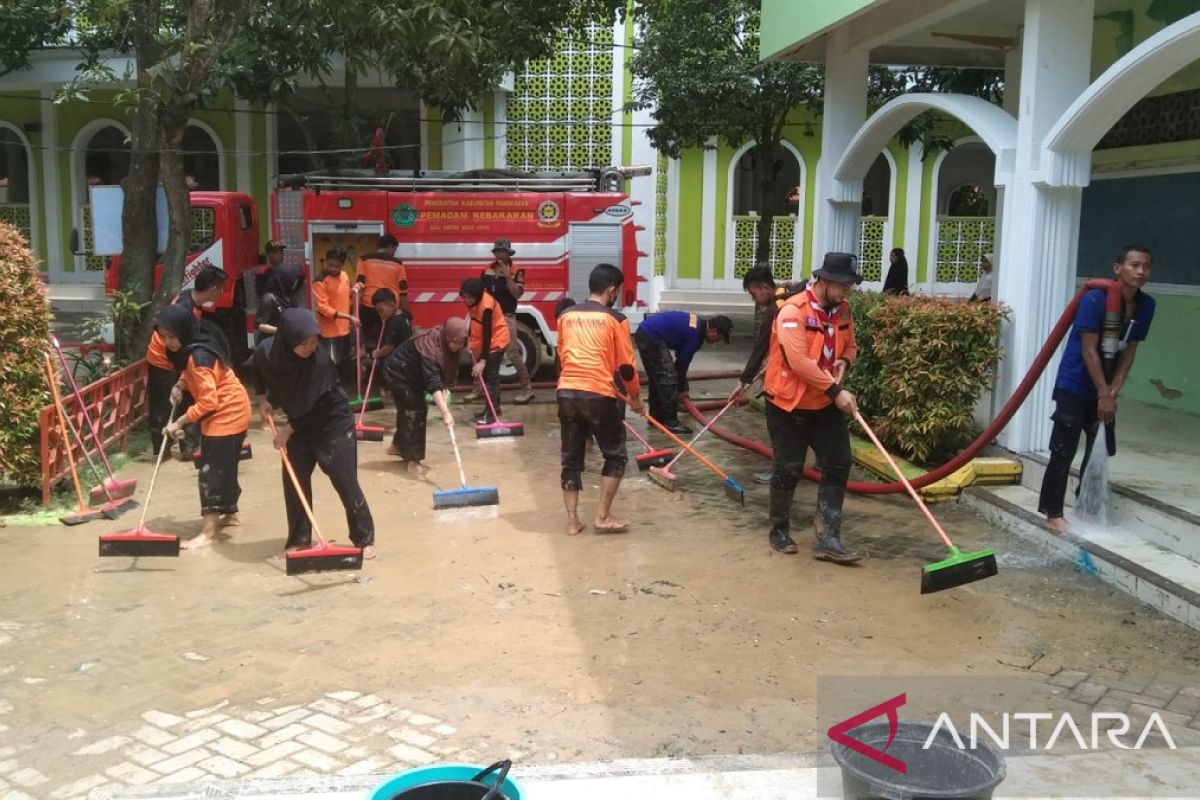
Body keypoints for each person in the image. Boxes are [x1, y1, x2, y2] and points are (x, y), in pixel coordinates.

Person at [1038, 246, 1155, 534]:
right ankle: (1053, 513)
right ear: (1118, 268)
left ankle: (1086, 508)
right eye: (1134, 265)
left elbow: (1130, 351)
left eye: (1146, 267)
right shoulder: (1094, 298)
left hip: (1106, 388)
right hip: (1076, 383)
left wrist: (1113, 391)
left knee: (1099, 444)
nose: (1140, 272)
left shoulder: (1147, 305)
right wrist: (1103, 393)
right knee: (1063, 449)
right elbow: (1090, 351)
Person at [764, 252, 863, 563]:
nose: (848, 291)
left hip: (823, 403)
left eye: (850, 285)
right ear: (823, 280)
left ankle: (828, 539)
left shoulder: (842, 310)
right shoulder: (792, 311)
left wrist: (844, 363)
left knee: (838, 462)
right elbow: (799, 362)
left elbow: (849, 345)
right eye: (843, 284)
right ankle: (779, 530)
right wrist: (836, 391)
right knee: (788, 468)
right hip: (788, 404)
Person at [254, 309, 377, 558]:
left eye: (315, 341)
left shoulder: (319, 363)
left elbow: (319, 406)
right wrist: (262, 398)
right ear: (288, 340)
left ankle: (363, 539)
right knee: (294, 478)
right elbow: (258, 369)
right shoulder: (267, 352)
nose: (311, 347)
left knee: (344, 480)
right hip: (299, 419)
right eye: (304, 343)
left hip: (331, 422)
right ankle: (300, 538)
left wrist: (287, 431)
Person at [556, 264, 643, 535]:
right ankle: (602, 517)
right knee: (615, 455)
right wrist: (635, 397)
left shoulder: (566, 316)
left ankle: (572, 522)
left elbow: (562, 354)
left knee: (571, 458)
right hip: (598, 394)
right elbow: (627, 367)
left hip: (567, 392)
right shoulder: (616, 319)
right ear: (611, 290)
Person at [157, 305, 251, 551]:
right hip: (235, 409)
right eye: (164, 336)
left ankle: (209, 533)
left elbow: (209, 401)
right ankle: (230, 515)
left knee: (211, 473)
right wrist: (180, 385)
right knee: (226, 467)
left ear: (184, 332)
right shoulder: (196, 348)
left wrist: (178, 422)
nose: (168, 342)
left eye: (172, 336)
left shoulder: (197, 357)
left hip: (227, 414)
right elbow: (193, 376)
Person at [145, 266, 228, 461]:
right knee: (163, 406)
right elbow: (170, 342)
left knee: (190, 399)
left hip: (178, 357)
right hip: (162, 359)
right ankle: (162, 450)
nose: (222, 292)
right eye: (221, 288)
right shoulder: (184, 307)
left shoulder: (192, 301)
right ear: (213, 289)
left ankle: (189, 447)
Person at [735, 267, 806, 484]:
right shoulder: (794, 294)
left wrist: (744, 380)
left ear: (766, 288)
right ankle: (815, 465)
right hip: (806, 375)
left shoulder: (777, 307)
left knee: (779, 427)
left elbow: (760, 347)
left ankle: (779, 471)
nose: (755, 300)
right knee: (805, 424)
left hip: (785, 379)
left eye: (754, 294)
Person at [381, 319, 464, 474]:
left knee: (408, 408)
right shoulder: (429, 347)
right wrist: (445, 413)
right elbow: (432, 382)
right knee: (416, 409)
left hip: (411, 374)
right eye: (455, 342)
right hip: (397, 372)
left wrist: (445, 389)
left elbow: (443, 374)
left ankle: (398, 446)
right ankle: (413, 460)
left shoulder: (445, 343)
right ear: (447, 336)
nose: (457, 346)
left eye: (461, 343)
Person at [634, 311, 733, 435]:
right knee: (668, 378)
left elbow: (680, 364)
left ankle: (656, 418)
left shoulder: (697, 324)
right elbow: (681, 364)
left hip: (644, 332)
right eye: (718, 339)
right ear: (713, 330)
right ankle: (671, 423)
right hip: (651, 337)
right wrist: (682, 390)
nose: (715, 343)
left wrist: (683, 387)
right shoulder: (695, 337)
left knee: (658, 378)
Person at [477, 237, 535, 404]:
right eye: (497, 252)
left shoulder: (517, 270)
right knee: (483, 350)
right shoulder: (487, 269)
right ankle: (480, 389)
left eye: (503, 252)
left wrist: (508, 276)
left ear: (509, 253)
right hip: (489, 316)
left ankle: (527, 389)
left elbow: (517, 294)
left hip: (507, 316)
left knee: (512, 353)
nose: (500, 255)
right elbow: (481, 291)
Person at [460, 277, 510, 425]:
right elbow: (473, 320)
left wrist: (482, 361)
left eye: (470, 297)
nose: (467, 300)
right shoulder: (474, 302)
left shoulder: (486, 306)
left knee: (490, 379)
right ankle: (494, 409)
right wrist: (468, 339)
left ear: (477, 295)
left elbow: (488, 333)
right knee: (490, 379)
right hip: (485, 341)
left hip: (496, 340)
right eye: (465, 297)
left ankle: (491, 415)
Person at [312, 246, 359, 385]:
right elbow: (324, 309)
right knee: (332, 364)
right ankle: (330, 390)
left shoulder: (344, 275)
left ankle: (342, 390)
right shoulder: (320, 281)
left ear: (342, 265)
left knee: (344, 362)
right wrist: (349, 317)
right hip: (329, 332)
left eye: (336, 266)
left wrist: (355, 288)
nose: (332, 268)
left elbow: (346, 292)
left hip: (344, 330)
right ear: (325, 261)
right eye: (330, 265)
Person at [355, 234, 409, 347]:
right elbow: (403, 291)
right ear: (390, 246)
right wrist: (405, 312)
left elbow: (359, 285)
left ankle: (365, 353)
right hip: (389, 308)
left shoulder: (364, 260)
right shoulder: (398, 264)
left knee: (365, 335)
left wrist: (356, 310)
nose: (394, 253)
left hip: (368, 306)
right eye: (394, 249)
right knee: (387, 341)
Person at [255, 262, 303, 343]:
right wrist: (279, 330)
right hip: (271, 343)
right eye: (293, 279)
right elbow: (259, 325)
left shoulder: (289, 297)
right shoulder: (269, 299)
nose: (295, 281)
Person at [255, 240, 288, 307]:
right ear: (268, 255)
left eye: (281, 252)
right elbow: (263, 296)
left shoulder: (284, 270)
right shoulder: (263, 272)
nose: (280, 255)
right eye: (275, 252)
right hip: (271, 308)